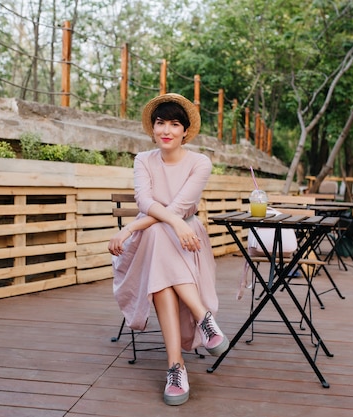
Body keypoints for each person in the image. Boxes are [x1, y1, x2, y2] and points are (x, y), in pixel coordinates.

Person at [108, 93, 229, 406]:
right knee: (161, 234)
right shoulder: (143, 160)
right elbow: (145, 202)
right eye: (161, 122)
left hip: (185, 240)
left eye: (175, 124)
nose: (167, 130)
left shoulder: (200, 162)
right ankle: (203, 317)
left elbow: (179, 207)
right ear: (152, 128)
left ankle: (176, 368)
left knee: (163, 239)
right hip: (153, 242)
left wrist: (134, 226)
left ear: (185, 131)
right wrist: (163, 225)